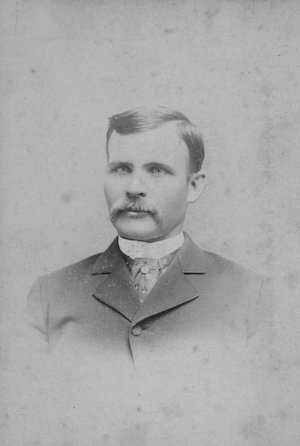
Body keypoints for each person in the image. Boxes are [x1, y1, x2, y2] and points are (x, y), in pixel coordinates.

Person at [23, 107, 272, 444]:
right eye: (121, 169)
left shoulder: (250, 295)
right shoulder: (49, 295)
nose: (134, 187)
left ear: (194, 185)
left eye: (157, 170)